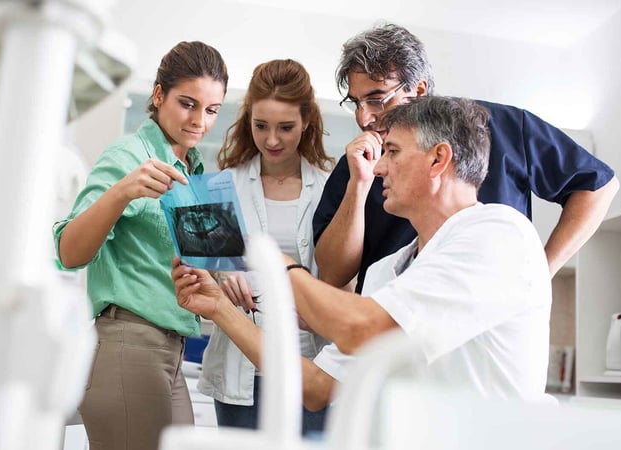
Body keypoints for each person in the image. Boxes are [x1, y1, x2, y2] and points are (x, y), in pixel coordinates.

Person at [172, 96, 553, 412]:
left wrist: (276, 264)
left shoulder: (498, 232)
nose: (380, 168)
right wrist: (218, 307)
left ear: (438, 159)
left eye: (392, 152)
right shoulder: (392, 269)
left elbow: (362, 328)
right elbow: (317, 387)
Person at [313, 23, 619, 293]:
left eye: (377, 99)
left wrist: (540, 276)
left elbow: (597, 186)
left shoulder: (502, 127)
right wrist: (359, 183)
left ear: (418, 90)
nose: (363, 117)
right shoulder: (360, 163)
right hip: (390, 331)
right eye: (355, 102)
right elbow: (333, 273)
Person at [53, 41, 228, 450]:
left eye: (212, 109)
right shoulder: (127, 155)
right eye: (188, 103)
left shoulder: (196, 173)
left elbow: (205, 267)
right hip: (129, 342)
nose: (199, 121)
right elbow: (67, 253)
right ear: (158, 94)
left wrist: (229, 274)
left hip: (174, 351)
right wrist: (121, 194)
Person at [201, 59, 334, 435]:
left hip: (308, 363)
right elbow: (202, 265)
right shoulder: (221, 187)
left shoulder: (330, 190)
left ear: (306, 121)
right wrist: (222, 272)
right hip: (239, 367)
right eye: (261, 126)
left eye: (285, 127)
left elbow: (341, 276)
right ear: (248, 121)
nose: (272, 140)